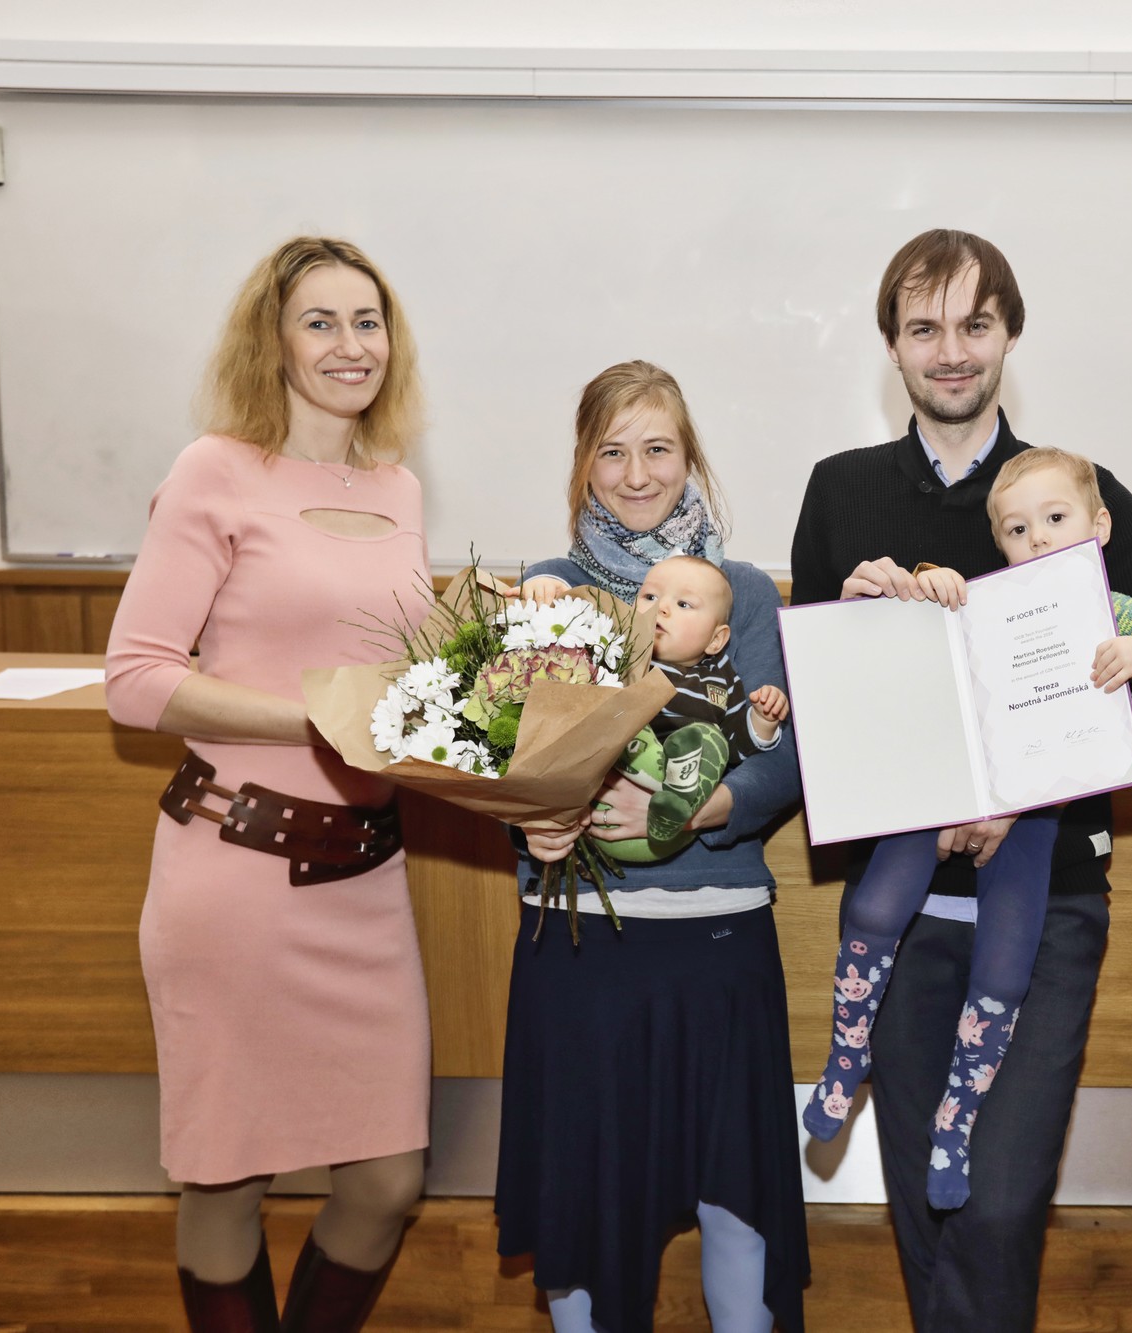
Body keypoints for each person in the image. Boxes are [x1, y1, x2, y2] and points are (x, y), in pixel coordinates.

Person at [788, 228, 1132, 1330]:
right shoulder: (839, 493)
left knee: (998, 1198)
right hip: (899, 911)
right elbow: (823, 716)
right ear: (891, 344)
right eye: (923, 326)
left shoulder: (1080, 493)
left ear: (1007, 335)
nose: (950, 349)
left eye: (973, 324)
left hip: (1048, 900)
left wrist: (1030, 782)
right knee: (929, 1206)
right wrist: (850, 624)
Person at [104, 236, 432, 1330]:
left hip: (366, 885)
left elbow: (405, 681)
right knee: (224, 1177)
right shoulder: (215, 469)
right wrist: (318, 716)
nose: (351, 345)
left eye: (368, 320)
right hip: (235, 869)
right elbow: (138, 680)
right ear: (274, 341)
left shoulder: (398, 487)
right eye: (321, 322)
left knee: (386, 1181)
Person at [801, 446, 1132, 1212]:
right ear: (999, 542)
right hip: (939, 799)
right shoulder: (982, 598)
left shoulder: (1121, 612)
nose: (1040, 539)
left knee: (1005, 966)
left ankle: (955, 1125)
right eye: (1019, 529)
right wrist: (926, 594)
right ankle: (845, 1058)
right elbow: (915, 674)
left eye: (1056, 520)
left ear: (1100, 522)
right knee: (874, 907)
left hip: (1034, 820)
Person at [497, 361, 808, 1333]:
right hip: (578, 946)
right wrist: (529, 814)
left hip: (716, 947)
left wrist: (696, 809)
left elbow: (789, 757)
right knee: (581, 1203)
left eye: (658, 449)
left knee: (735, 1197)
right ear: (584, 466)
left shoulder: (743, 592)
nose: (637, 473)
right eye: (612, 451)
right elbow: (494, 756)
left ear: (690, 459)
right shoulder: (545, 593)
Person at [625, 554, 788, 852]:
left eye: (683, 604)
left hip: (686, 805)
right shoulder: (621, 659)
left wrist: (763, 720)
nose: (660, 607)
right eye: (649, 596)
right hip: (625, 781)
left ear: (715, 641)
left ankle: (676, 800)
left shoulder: (720, 679)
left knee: (711, 741)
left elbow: (736, 746)